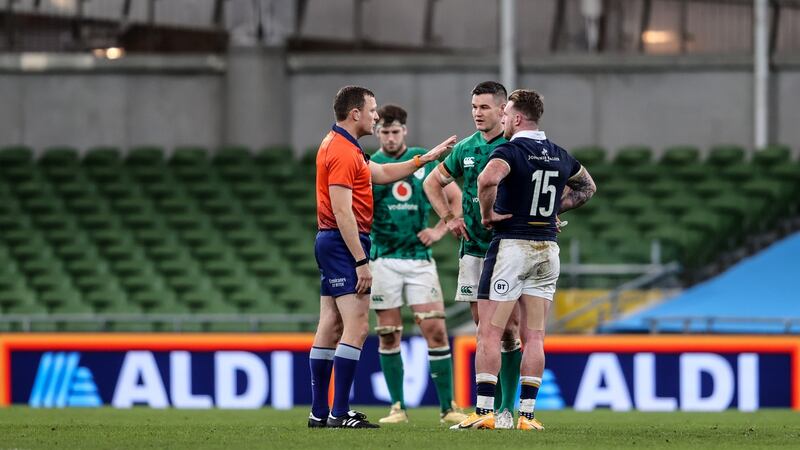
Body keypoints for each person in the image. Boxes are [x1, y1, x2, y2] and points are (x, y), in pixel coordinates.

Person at [308, 86, 456, 429]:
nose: (376, 116)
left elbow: (381, 174)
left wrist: (424, 158)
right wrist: (361, 260)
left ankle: (319, 411)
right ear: (355, 113)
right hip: (345, 242)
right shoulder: (343, 152)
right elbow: (343, 213)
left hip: (331, 241)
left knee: (330, 324)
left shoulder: (343, 146)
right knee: (358, 327)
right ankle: (339, 412)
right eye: (372, 110)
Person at [452, 89, 596, 431]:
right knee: (535, 336)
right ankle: (527, 417)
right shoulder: (559, 154)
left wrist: (488, 214)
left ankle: (485, 412)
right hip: (547, 250)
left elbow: (487, 179)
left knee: (489, 331)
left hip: (512, 248)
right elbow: (588, 188)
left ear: (516, 118)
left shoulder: (511, 149)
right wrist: (550, 211)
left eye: (505, 116)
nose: (501, 120)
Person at [423, 81, 522, 429]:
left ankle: (508, 410)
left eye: (484, 107)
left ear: (502, 110)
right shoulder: (465, 148)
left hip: (510, 248)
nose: (478, 113)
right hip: (474, 250)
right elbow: (431, 183)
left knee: (508, 329)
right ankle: (489, 413)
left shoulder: (515, 146)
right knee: (483, 329)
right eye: (474, 108)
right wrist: (449, 219)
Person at [368, 104, 467, 425]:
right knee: (388, 332)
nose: (391, 137)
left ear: (404, 131)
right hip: (383, 258)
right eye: (385, 131)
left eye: (396, 131)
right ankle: (397, 407)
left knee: (436, 330)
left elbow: (456, 196)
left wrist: (440, 229)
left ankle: (447, 407)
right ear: (378, 132)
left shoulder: (422, 159)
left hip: (419, 260)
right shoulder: (372, 165)